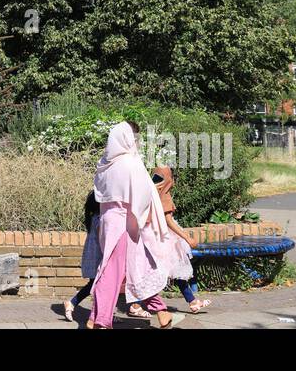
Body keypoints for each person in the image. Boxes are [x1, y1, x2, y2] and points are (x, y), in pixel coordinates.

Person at [87, 122, 184, 330]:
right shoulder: (130, 163)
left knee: (136, 266)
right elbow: (141, 196)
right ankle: (101, 319)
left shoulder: (104, 163)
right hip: (125, 223)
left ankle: (160, 311)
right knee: (115, 271)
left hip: (109, 221)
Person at [151, 166, 210, 313]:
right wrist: (186, 237)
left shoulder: (152, 192)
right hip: (166, 238)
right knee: (163, 270)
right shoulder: (164, 194)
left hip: (154, 235)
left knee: (173, 270)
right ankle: (137, 304)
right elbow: (168, 221)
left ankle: (192, 301)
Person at [63, 191, 101, 321]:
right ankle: (72, 302)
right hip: (99, 257)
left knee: (96, 285)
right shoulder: (100, 219)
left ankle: (102, 313)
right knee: (96, 285)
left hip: (93, 256)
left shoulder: (92, 218)